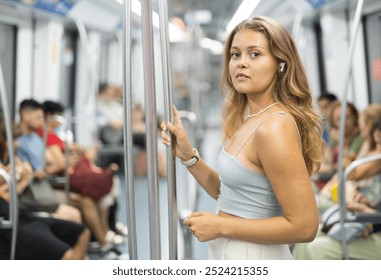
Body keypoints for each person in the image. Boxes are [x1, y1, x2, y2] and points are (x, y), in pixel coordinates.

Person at [161, 16, 325, 260]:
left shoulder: (274, 126)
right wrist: (189, 157)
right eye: (235, 55)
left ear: (280, 63)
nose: (241, 63)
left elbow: (305, 226)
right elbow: (229, 193)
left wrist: (221, 226)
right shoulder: (251, 117)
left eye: (255, 54)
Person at [0, 118, 90, 260]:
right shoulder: (4, 170)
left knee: (83, 232)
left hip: (24, 213)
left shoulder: (11, 158)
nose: (17, 144)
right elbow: (7, 197)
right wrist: (24, 179)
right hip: (14, 216)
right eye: (13, 140)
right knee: (69, 250)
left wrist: (25, 175)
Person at [293, 119, 381, 260]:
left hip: (375, 229)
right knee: (305, 240)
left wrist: (369, 214)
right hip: (371, 224)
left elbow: (352, 173)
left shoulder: (376, 159)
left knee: (318, 248)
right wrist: (366, 204)